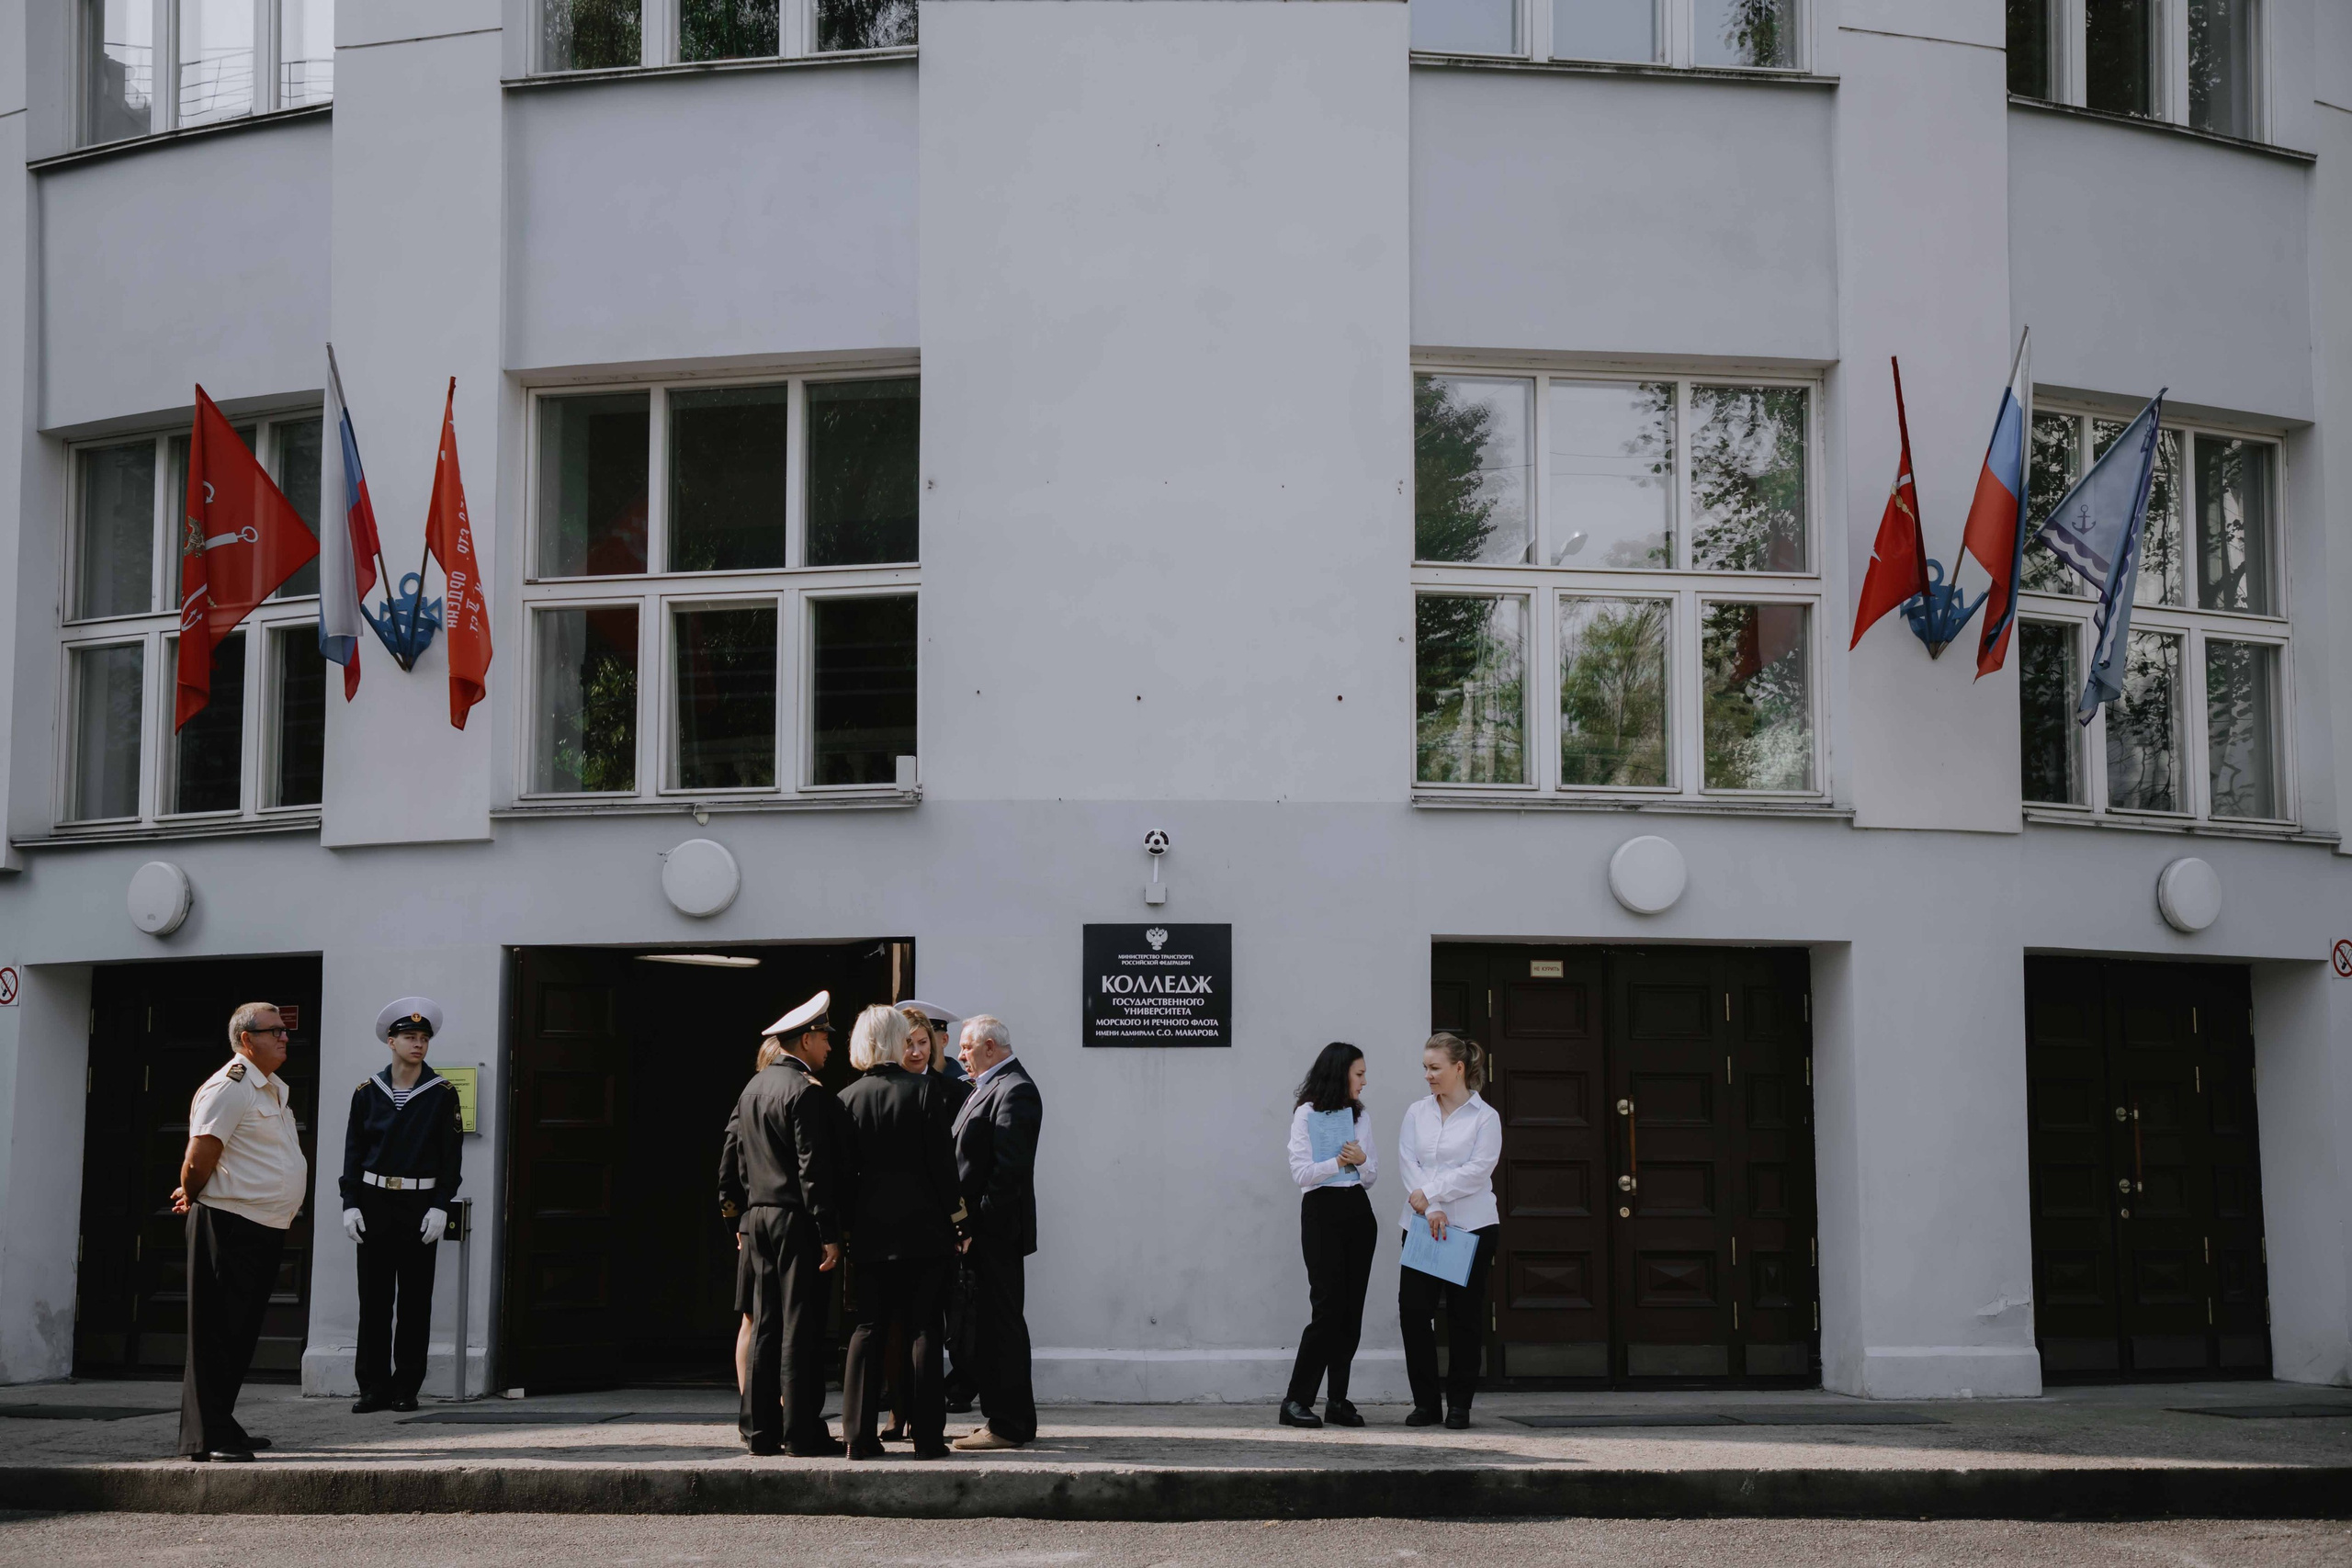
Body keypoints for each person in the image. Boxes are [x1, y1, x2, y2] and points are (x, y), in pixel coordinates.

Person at [173, 1002, 310, 1462]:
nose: (285, 1037)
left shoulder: (269, 1088)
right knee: (215, 1331)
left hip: (261, 1224)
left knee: (240, 1330)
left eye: (285, 1031)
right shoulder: (229, 1086)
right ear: (247, 1039)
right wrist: (191, 1192)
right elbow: (199, 1155)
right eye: (275, 1031)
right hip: (228, 1222)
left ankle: (222, 1420)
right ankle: (205, 1437)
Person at [718, 992, 846, 1456]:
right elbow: (813, 1171)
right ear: (807, 1039)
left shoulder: (752, 1088)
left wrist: (737, 1220)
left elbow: (731, 1160)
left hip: (757, 1218)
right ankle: (801, 1432)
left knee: (765, 1325)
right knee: (800, 1326)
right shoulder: (805, 1091)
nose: (830, 1045)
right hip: (795, 1219)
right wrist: (829, 1232)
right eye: (825, 1037)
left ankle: (759, 1430)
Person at [837, 1005, 964, 1460]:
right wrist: (960, 1221)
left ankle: (858, 1437)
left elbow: (841, 1176)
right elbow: (943, 1168)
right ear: (895, 1040)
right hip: (925, 1230)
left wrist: (844, 1229)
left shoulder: (846, 1098)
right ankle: (927, 1439)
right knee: (924, 1326)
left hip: (869, 1232)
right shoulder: (925, 1091)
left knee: (869, 1326)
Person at [340, 998, 466, 1415]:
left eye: (424, 1038)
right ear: (391, 1042)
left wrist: (440, 1205)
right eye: (410, 1037)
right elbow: (354, 1152)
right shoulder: (367, 1092)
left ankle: (406, 1387)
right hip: (374, 1202)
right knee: (374, 1301)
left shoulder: (442, 1093)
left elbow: (450, 1157)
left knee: (414, 1302)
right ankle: (372, 1387)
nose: (418, 1044)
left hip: (419, 1205)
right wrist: (350, 1203)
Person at [1396, 1031, 1502, 1430]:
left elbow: (1478, 1170)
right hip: (1422, 1226)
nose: (1428, 1075)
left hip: (1471, 1227)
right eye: (1425, 1068)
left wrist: (1432, 1194)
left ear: (1459, 1068)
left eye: (1435, 1068)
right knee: (1414, 1313)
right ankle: (1426, 1404)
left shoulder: (1485, 1117)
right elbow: (1408, 1162)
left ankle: (1459, 1405)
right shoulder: (1416, 1112)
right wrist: (1433, 1206)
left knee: (1464, 1318)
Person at [948, 1014, 1043, 1451]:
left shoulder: (1014, 1089)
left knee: (1001, 1327)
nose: (960, 1055)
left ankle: (1008, 1424)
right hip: (980, 1232)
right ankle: (1002, 1419)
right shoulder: (988, 1086)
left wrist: (975, 1225)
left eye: (966, 1047)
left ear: (989, 1047)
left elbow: (1009, 1173)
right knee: (987, 1327)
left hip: (995, 1233)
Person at [1281, 1041, 1378, 1429]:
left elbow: (1371, 1177)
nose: (1364, 1082)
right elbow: (1301, 1174)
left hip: (1358, 1209)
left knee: (1351, 1311)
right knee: (1327, 1308)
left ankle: (1337, 1400)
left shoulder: (1360, 1116)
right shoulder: (1306, 1113)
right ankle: (1296, 1400)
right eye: (1359, 1074)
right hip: (1321, 1210)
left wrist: (1362, 1161)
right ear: (1340, 1074)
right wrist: (1336, 1162)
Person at [899, 1001, 978, 1417]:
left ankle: (959, 1386)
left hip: (947, 1214)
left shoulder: (955, 1089)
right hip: (904, 1219)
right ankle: (901, 1393)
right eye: (909, 1043)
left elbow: (963, 1159)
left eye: (924, 1042)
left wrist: (960, 1218)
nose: (918, 1051)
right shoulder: (890, 1085)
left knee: (954, 1309)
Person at [724, 1037, 789, 1397]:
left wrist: (736, 1221)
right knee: (759, 1316)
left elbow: (727, 1170)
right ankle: (768, 1400)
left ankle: (749, 1399)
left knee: (751, 1316)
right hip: (779, 1217)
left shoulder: (746, 1100)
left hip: (752, 1220)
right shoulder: (793, 1094)